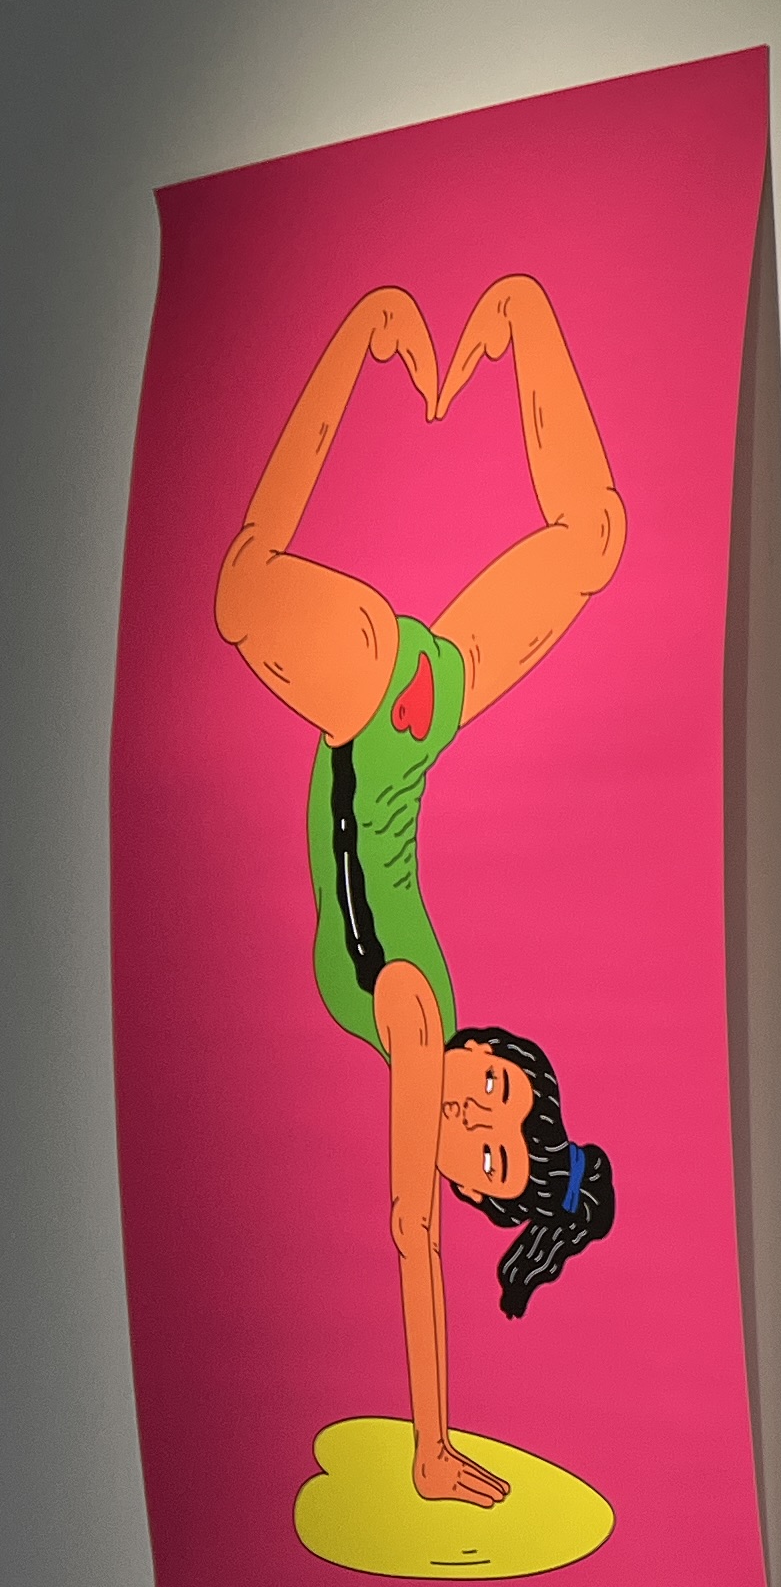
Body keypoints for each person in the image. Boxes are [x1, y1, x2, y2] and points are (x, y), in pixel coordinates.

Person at [217, 272, 625, 1510]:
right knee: (242, 588)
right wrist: (429, 1445)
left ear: (465, 1172)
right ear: (492, 1050)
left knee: (591, 541)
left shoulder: (410, 1030)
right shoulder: (412, 1015)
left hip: (416, 709)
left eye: (485, 1149)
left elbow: (425, 1215)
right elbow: (413, 1238)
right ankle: (374, 332)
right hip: (378, 694)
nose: (477, 1106)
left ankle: (511, 312)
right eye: (503, 1090)